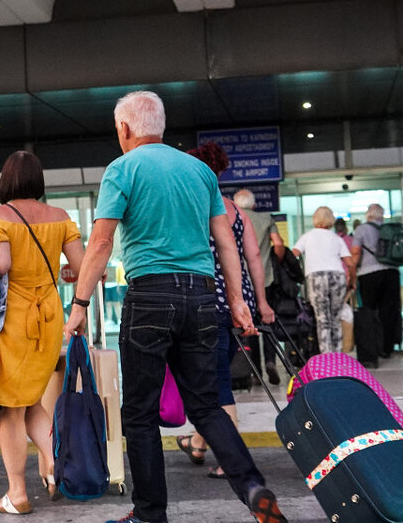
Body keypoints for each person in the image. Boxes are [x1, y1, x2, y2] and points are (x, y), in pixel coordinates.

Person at [63, 91, 287, 523]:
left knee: (140, 414)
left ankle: (150, 514)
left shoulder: (122, 169)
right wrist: (237, 301)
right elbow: (226, 243)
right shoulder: (199, 171)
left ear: (124, 128)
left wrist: (79, 304)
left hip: (150, 297)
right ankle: (251, 486)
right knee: (205, 405)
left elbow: (102, 242)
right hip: (202, 298)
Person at [0, 150, 85, 515]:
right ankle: (55, 464)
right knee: (31, 401)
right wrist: (80, 308)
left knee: (10, 409)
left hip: (14, 319)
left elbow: (2, 264)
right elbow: (83, 267)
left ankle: (18, 494)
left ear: (6, 180)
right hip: (50, 316)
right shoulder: (61, 217)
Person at [177, 144, 275, 481]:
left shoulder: (193, 206)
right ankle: (198, 442)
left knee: (216, 380)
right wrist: (260, 302)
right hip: (239, 301)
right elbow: (254, 258)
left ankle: (231, 460)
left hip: (205, 300)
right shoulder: (235, 209)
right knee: (215, 374)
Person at [233, 188, 284, 385]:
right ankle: (271, 361)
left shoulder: (233, 217)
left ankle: (256, 372)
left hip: (241, 280)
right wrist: (275, 262)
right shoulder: (266, 218)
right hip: (265, 278)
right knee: (268, 321)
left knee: (249, 325)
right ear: (254, 204)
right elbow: (278, 244)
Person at [292, 206, 353, 355]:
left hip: (316, 277)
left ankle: (327, 357)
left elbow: (293, 254)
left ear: (315, 219)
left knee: (322, 319)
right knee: (335, 319)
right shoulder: (337, 238)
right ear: (331, 220)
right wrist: (352, 280)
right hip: (337, 276)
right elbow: (350, 263)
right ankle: (338, 356)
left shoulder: (307, 236)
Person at [350, 204, 403, 357]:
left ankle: (372, 349)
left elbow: (355, 252)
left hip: (369, 274)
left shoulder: (361, 229)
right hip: (392, 272)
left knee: (369, 311)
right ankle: (387, 348)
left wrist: (352, 274)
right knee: (389, 311)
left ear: (368, 215)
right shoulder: (390, 229)